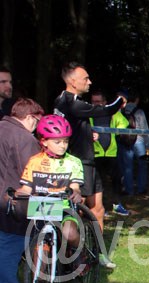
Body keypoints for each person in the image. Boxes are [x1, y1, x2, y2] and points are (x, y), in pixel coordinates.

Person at [54, 62, 124, 268]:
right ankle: (73, 256)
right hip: (78, 164)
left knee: (98, 209)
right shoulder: (71, 102)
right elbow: (105, 110)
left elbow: (70, 126)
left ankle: (99, 254)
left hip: (88, 162)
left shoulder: (62, 100)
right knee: (77, 210)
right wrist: (120, 100)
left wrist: (85, 132)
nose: (89, 82)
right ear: (72, 81)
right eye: (85, 78)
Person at [17, 115, 84, 262]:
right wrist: (15, 195)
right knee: (39, 244)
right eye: (57, 142)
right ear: (44, 141)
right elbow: (26, 189)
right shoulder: (34, 161)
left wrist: (76, 192)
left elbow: (75, 187)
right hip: (41, 208)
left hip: (65, 207)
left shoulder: (74, 162)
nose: (62, 145)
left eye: (65, 141)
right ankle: (39, 275)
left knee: (69, 233)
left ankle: (80, 251)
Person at [0, 98, 44, 283]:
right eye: (37, 121)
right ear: (29, 117)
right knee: (12, 244)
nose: (37, 126)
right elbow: (34, 173)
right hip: (14, 201)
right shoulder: (24, 138)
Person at [90, 90, 130, 216]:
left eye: (98, 101)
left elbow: (124, 123)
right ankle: (100, 207)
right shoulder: (88, 113)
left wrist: (117, 132)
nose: (96, 104)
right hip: (95, 154)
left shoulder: (112, 113)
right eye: (93, 102)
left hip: (111, 153)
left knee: (116, 180)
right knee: (98, 182)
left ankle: (117, 205)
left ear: (104, 102)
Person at [119, 89, 149, 196]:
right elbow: (145, 130)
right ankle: (141, 188)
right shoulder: (139, 111)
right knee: (142, 165)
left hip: (125, 141)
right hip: (139, 141)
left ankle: (129, 190)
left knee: (127, 167)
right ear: (137, 99)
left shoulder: (121, 111)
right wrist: (148, 145)